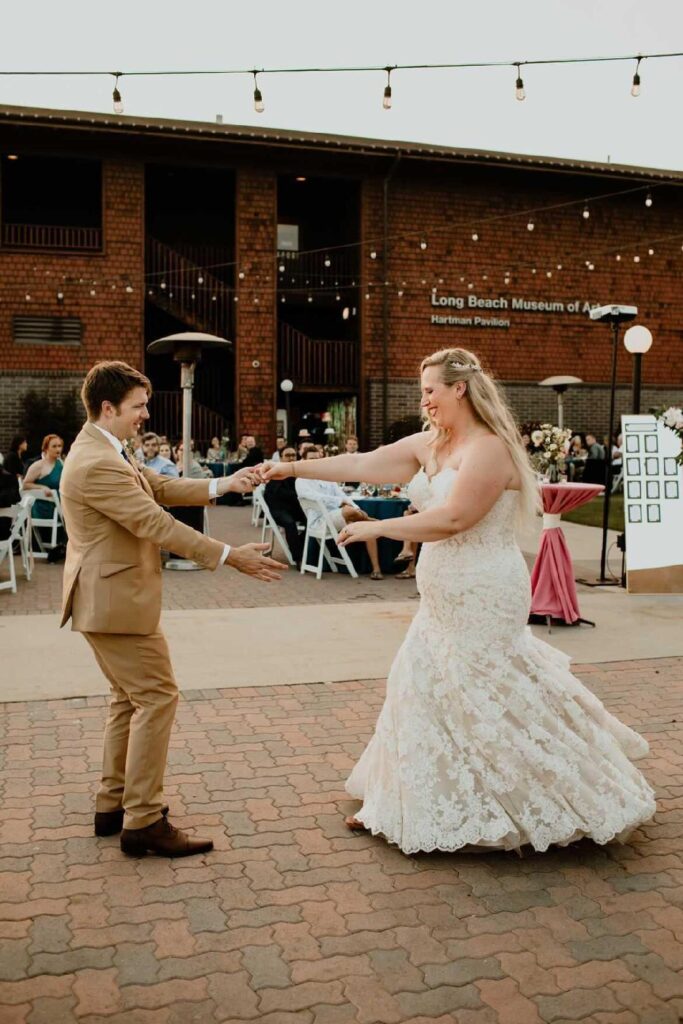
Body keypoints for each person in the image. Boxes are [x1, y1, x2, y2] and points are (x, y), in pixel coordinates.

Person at [264, 346, 655, 854]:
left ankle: (536, 798)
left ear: (459, 389)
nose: (424, 400)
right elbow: (365, 462)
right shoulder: (430, 445)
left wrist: (379, 527)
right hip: (440, 594)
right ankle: (400, 798)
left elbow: (454, 519)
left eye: (430, 391)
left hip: (486, 589)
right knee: (419, 685)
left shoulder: (489, 448)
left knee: (487, 694)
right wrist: (292, 471)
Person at [60, 360, 287, 858]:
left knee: (128, 699)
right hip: (116, 604)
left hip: (109, 600)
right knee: (158, 698)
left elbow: (158, 487)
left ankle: (112, 803)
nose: (144, 415)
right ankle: (142, 820)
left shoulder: (104, 449)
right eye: (138, 406)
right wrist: (229, 556)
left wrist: (223, 485)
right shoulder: (97, 461)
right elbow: (154, 522)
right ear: (107, 407)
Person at [294, 449, 384, 580]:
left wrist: (356, 508)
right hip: (319, 521)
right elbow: (315, 497)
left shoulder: (327, 476)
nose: (314, 462)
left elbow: (342, 495)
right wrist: (340, 502)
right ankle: (373, 521)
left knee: (364, 524)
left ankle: (376, 569)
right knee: (351, 512)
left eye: (317, 459)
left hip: (336, 516)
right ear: (304, 460)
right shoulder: (301, 480)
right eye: (311, 459)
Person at [263, 446, 305, 563]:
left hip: (295, 507)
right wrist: (298, 494)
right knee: (290, 524)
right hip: (279, 509)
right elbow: (275, 494)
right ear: (281, 458)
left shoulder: (298, 472)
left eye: (293, 455)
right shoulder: (276, 473)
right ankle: (299, 559)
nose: (291, 458)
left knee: (314, 520)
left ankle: (304, 549)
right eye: (288, 456)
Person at [22, 434, 65, 523]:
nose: (58, 449)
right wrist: (42, 487)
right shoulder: (38, 465)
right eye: (54, 446)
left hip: (60, 506)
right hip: (43, 508)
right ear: (46, 448)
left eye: (59, 446)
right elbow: (25, 484)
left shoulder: (62, 464)